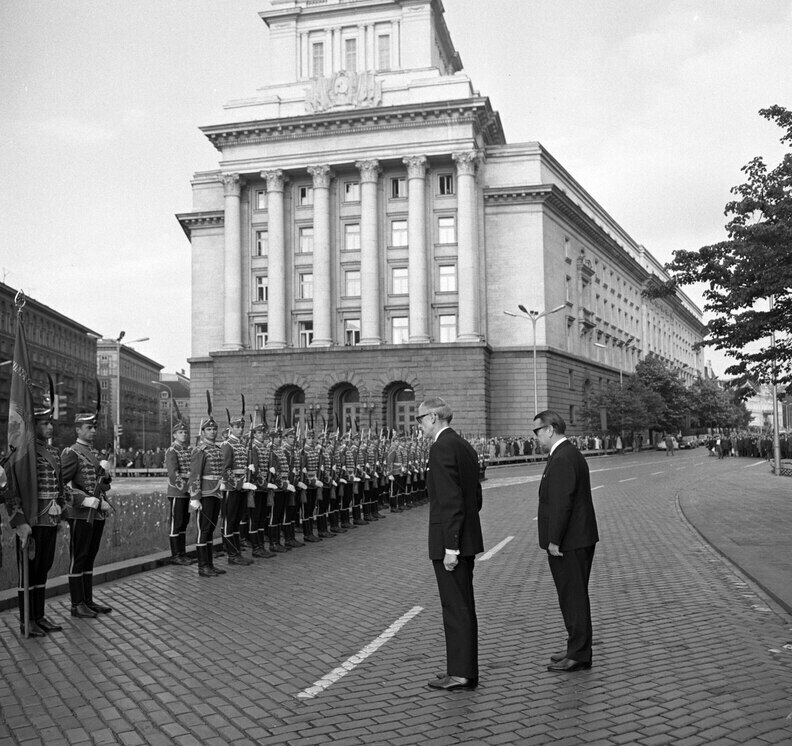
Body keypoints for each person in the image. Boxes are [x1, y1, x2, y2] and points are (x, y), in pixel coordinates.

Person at [417, 397, 483, 691]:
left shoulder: (441, 447)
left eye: (420, 420)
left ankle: (462, 673)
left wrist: (451, 548)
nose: (418, 426)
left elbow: (450, 501)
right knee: (462, 607)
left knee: (455, 608)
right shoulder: (462, 445)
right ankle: (461, 668)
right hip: (465, 536)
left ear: (433, 417)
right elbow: (475, 497)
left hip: (452, 542)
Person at [533, 409, 599, 672]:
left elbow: (562, 503)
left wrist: (554, 539)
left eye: (537, 431)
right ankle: (576, 647)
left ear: (550, 429)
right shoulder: (565, 454)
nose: (536, 437)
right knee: (572, 596)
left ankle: (579, 654)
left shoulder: (562, 458)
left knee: (573, 597)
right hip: (577, 538)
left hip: (570, 541)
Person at [5, 400, 67, 635]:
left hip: (50, 518)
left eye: (50, 422)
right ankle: (26, 619)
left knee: (43, 569)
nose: (50, 427)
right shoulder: (22, 452)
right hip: (32, 519)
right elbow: (11, 489)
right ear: (33, 426)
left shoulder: (52, 451)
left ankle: (39, 616)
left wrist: (62, 512)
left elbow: (59, 485)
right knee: (28, 572)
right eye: (44, 423)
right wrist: (19, 521)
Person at [61, 412, 114, 619]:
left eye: (94, 427)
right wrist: (82, 499)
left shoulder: (93, 453)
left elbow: (102, 484)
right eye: (88, 427)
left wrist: (106, 475)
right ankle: (77, 604)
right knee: (79, 557)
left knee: (89, 557)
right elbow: (61, 484)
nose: (93, 430)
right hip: (81, 514)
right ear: (78, 429)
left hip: (97, 513)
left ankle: (88, 600)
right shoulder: (71, 452)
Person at [188, 410, 227, 578]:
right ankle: (202, 566)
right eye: (209, 429)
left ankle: (210, 564)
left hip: (216, 491)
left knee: (211, 529)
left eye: (214, 429)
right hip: (205, 493)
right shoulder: (200, 450)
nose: (212, 432)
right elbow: (194, 474)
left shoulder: (217, 449)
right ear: (203, 432)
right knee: (203, 529)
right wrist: (195, 497)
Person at [165, 418, 194, 565]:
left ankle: (182, 553)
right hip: (177, 491)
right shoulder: (172, 451)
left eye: (185, 432)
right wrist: (185, 487)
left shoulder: (187, 450)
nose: (184, 435)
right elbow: (173, 473)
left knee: (183, 522)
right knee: (176, 523)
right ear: (174, 435)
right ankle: (176, 555)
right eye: (180, 432)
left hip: (187, 490)